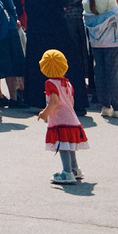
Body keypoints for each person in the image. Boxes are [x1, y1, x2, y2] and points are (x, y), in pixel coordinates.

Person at [15, 0, 87, 115]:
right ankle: (73, 101)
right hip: (55, 26)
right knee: (66, 62)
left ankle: (37, 99)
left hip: (34, 26)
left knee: (36, 63)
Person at [37, 49, 88, 184]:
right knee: (70, 145)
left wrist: (45, 113)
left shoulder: (50, 83)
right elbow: (70, 101)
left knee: (63, 146)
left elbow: (54, 101)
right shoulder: (67, 82)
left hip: (60, 120)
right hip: (71, 118)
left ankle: (66, 172)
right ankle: (74, 168)